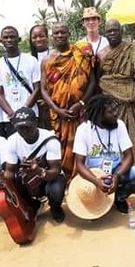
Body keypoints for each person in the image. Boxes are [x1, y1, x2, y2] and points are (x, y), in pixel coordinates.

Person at [97, 19, 135, 168]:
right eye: (109, 31)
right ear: (105, 33)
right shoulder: (101, 55)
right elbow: (102, 80)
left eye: (115, 30)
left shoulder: (134, 49)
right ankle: (128, 171)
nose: (113, 33)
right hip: (115, 105)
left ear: (121, 31)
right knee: (121, 138)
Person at [73, 95, 135, 214]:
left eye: (115, 109)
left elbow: (129, 156)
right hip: (93, 174)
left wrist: (116, 176)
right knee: (88, 193)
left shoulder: (119, 125)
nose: (116, 113)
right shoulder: (83, 130)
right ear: (99, 115)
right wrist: (96, 181)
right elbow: (79, 165)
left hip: (115, 171)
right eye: (110, 111)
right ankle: (97, 201)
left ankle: (119, 198)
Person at [41, 22, 96, 177]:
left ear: (69, 34)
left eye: (63, 32)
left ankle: (84, 177)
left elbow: (92, 82)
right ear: (52, 36)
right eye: (56, 33)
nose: (60, 35)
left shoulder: (81, 54)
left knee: (83, 145)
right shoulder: (47, 60)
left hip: (80, 112)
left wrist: (81, 103)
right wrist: (57, 110)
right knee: (60, 147)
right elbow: (43, 89)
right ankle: (65, 178)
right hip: (59, 115)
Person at [2, 107, 66, 223]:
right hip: (27, 178)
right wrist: (6, 185)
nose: (24, 131)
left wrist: (39, 171)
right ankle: (33, 205)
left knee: (56, 190)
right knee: (14, 183)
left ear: (36, 123)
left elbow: (55, 171)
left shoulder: (50, 140)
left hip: (48, 176)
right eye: (20, 128)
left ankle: (55, 208)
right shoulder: (12, 141)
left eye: (27, 127)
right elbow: (9, 172)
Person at [0, 26, 42, 137]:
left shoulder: (31, 60)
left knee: (33, 143)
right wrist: (11, 113)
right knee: (14, 145)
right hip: (10, 118)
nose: (9, 40)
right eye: (6, 37)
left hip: (31, 114)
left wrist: (24, 109)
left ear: (18, 39)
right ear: (1, 41)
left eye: (12, 37)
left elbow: (37, 88)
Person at [29, 24, 51, 129]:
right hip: (35, 104)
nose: (38, 39)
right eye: (34, 37)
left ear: (47, 37)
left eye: (41, 36)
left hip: (54, 102)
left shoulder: (55, 55)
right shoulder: (28, 59)